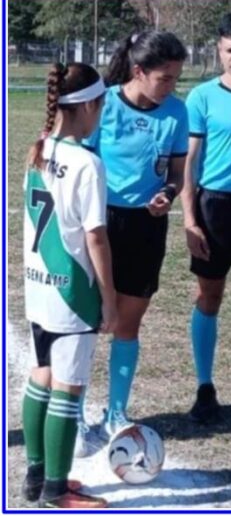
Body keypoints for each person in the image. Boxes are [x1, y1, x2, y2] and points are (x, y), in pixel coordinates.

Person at [79, 31, 188, 445]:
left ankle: (115, 412)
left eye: (176, 78)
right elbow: (81, 164)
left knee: (128, 323)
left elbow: (176, 174)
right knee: (88, 322)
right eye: (165, 78)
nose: (171, 87)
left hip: (147, 226)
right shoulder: (103, 104)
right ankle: (75, 412)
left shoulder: (177, 112)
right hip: (99, 224)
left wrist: (169, 193)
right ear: (138, 71)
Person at [22, 62, 115, 508]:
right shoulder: (87, 162)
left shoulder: (40, 146)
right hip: (72, 292)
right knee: (68, 387)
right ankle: (57, 490)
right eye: (102, 106)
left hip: (39, 286)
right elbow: (95, 237)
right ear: (91, 105)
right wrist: (109, 299)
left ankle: (34, 477)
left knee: (41, 376)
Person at [181, 12, 231, 423]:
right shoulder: (202, 97)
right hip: (215, 207)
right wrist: (189, 219)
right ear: (219, 51)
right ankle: (205, 387)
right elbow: (188, 162)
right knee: (210, 296)